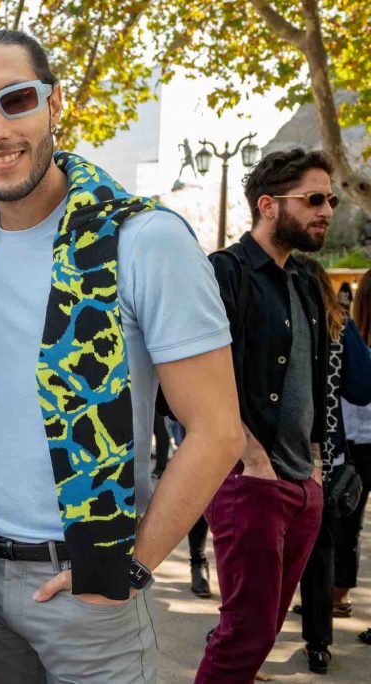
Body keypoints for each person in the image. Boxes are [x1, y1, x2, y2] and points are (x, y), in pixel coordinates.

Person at [0, 30, 244, 683]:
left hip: (89, 591)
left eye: (14, 100)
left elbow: (218, 431)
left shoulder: (145, 238)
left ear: (54, 105)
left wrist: (127, 568)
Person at [198, 148, 332, 682]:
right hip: (248, 481)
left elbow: (316, 380)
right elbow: (197, 382)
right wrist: (252, 457)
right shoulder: (225, 274)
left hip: (302, 483)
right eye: (314, 199)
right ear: (269, 205)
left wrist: (316, 464)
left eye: (332, 199)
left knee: (261, 631)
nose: (327, 210)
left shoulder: (304, 280)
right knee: (245, 634)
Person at [291, 255, 371, 673]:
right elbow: (362, 388)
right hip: (323, 459)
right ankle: (318, 643)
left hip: (264, 458)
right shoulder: (340, 325)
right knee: (320, 550)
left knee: (259, 552)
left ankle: (245, 628)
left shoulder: (269, 320)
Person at [337, 269, 371, 644]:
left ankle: (339, 596)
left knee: (347, 525)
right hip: (358, 443)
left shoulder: (352, 339)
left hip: (357, 446)